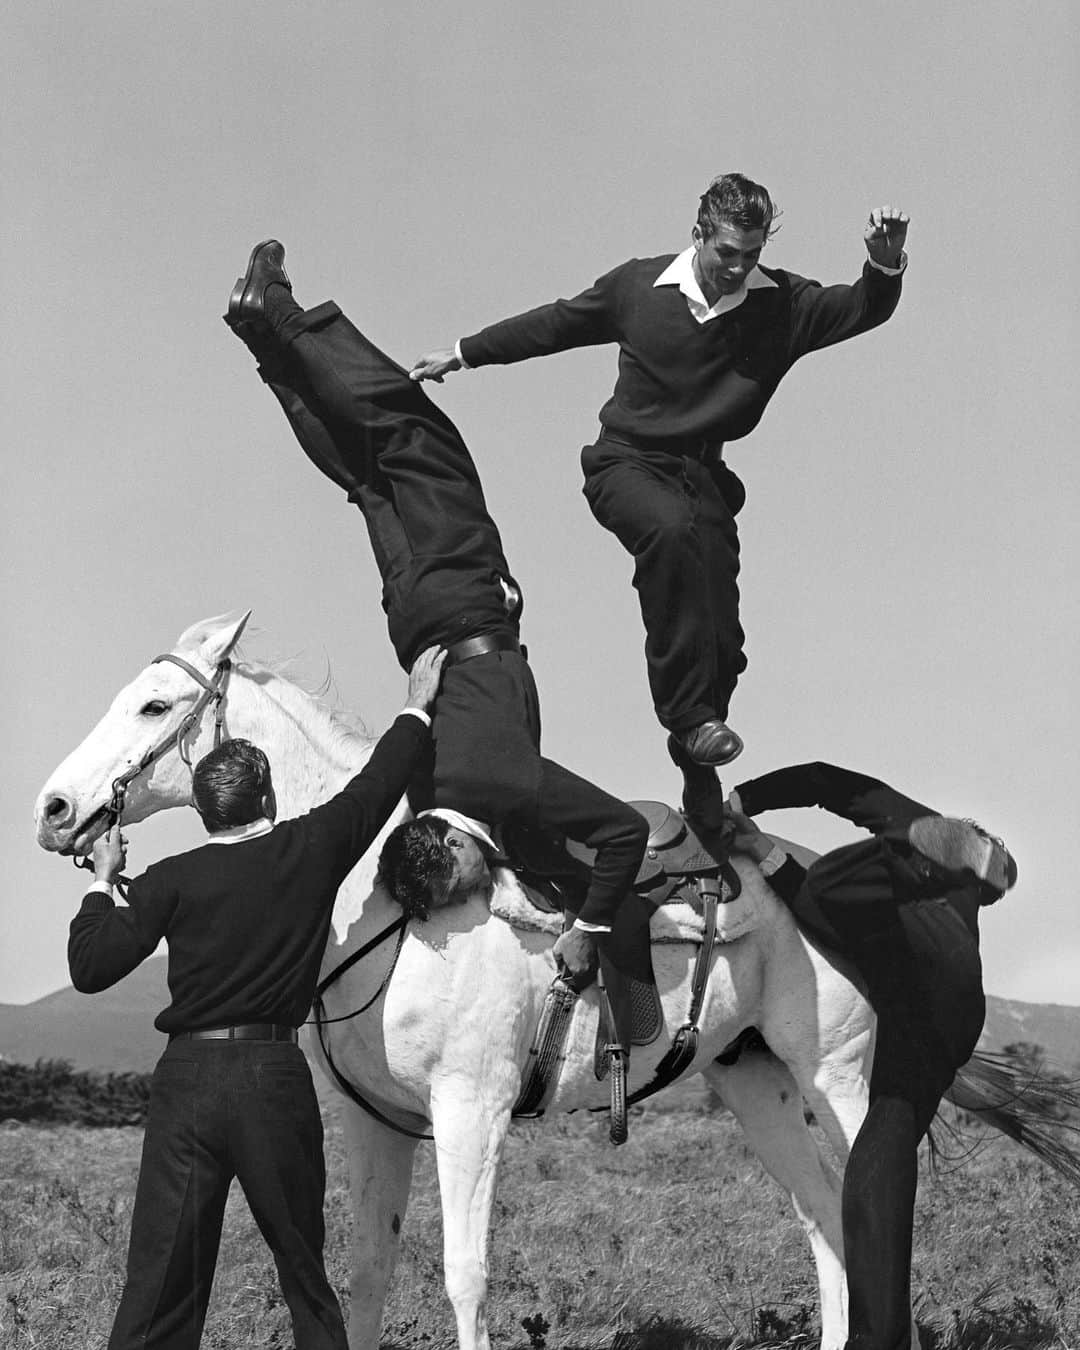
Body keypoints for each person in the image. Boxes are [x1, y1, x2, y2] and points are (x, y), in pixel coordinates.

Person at [224, 241, 648, 981]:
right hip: (412, 617)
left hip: (464, 602)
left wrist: (593, 926)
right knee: (365, 477)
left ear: (460, 850)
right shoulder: (419, 793)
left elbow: (625, 833)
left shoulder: (508, 793)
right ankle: (267, 347)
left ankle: (282, 319)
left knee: (417, 437)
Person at [410, 174, 909, 767]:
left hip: (704, 478)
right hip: (624, 462)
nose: (737, 267)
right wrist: (466, 352)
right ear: (698, 234)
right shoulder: (640, 288)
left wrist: (883, 266)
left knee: (721, 626)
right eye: (727, 252)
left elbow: (860, 309)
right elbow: (557, 323)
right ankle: (688, 715)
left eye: (751, 256)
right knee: (671, 533)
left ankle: (700, 743)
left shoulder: (784, 305)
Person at [67, 650, 444, 1350]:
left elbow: (88, 967)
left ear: (204, 810)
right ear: (267, 801)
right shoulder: (312, 847)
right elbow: (377, 783)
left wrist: (103, 882)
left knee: (159, 1284)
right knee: (303, 1274)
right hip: (272, 1079)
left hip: (185, 1084)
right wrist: (416, 707)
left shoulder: (170, 880)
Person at [724, 760, 1016, 1350]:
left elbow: (827, 791)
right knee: (873, 1170)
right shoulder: (925, 845)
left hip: (928, 994)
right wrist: (749, 808)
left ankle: (879, 1340)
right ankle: (879, 1338)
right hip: (941, 1004)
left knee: (872, 1172)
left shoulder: (920, 843)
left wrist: (747, 813)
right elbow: (831, 784)